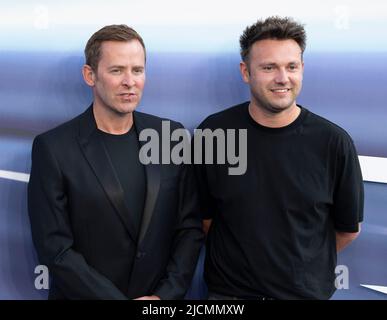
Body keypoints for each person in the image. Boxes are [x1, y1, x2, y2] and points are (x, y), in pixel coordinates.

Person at [28, 24, 204, 300]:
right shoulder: (53, 148)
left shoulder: (170, 136)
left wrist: (164, 297)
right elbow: (55, 249)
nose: (129, 81)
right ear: (90, 75)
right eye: (116, 70)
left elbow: (189, 228)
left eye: (137, 70)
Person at [194, 16, 364, 300]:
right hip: (229, 297)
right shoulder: (213, 133)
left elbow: (348, 230)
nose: (282, 78)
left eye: (291, 67)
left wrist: (301, 263)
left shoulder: (334, 143)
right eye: (269, 67)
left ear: (302, 69)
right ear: (246, 72)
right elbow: (204, 218)